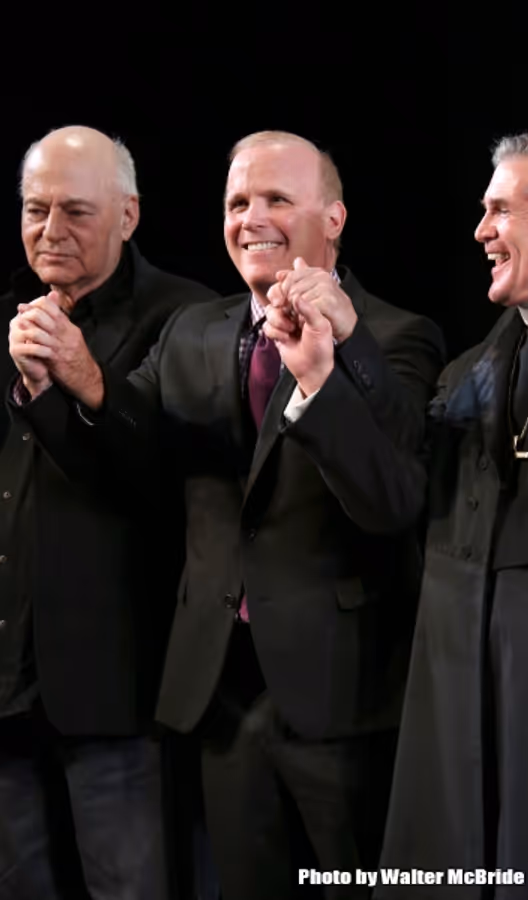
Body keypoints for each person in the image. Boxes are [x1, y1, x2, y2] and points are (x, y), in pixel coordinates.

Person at [10, 130, 444, 900]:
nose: (253, 217)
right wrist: (69, 383)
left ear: (335, 218)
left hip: (341, 696)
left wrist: (324, 379)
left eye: (278, 198)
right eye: (238, 201)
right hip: (218, 692)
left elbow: (393, 502)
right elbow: (134, 453)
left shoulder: (396, 336)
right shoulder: (196, 329)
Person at [377, 128, 528, 899]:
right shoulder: (469, 369)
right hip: (465, 661)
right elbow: (399, 491)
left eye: (501, 210)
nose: (480, 231)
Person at [0, 125, 218, 900]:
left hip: (116, 695)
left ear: (128, 216)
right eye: (34, 210)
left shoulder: (188, 318)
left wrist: (84, 381)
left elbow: (176, 486)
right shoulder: (8, 317)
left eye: (75, 212)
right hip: (9, 686)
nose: (50, 231)